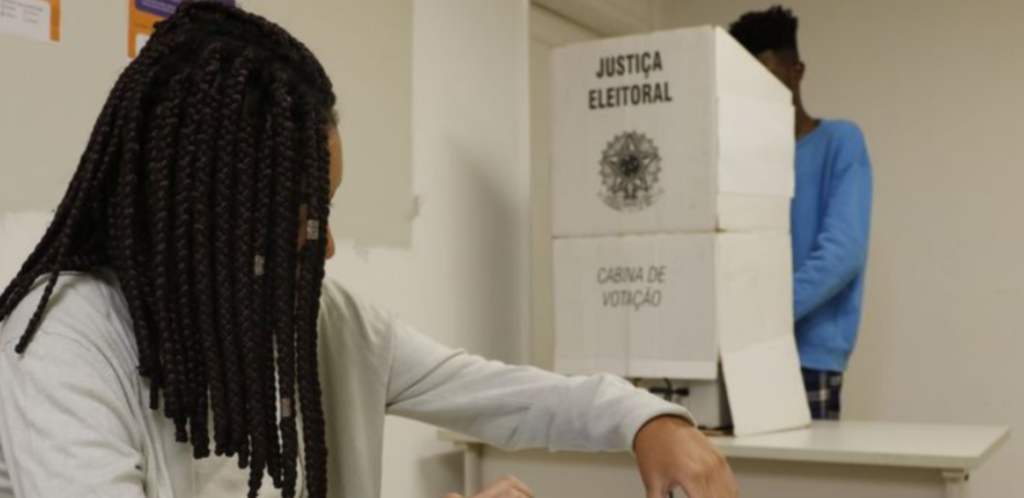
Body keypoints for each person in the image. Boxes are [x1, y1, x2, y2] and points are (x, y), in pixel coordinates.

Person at [0, 4, 737, 498]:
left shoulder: (319, 321)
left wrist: (643, 420)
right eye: (295, 220)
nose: (320, 250)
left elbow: (504, 392)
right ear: (199, 212)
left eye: (323, 215)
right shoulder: (65, 339)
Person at [729, 6, 873, 420]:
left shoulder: (841, 141)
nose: (757, 93)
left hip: (810, 355)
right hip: (741, 354)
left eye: (767, 78)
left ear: (797, 70)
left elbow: (842, 252)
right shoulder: (741, 160)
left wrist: (762, 317)